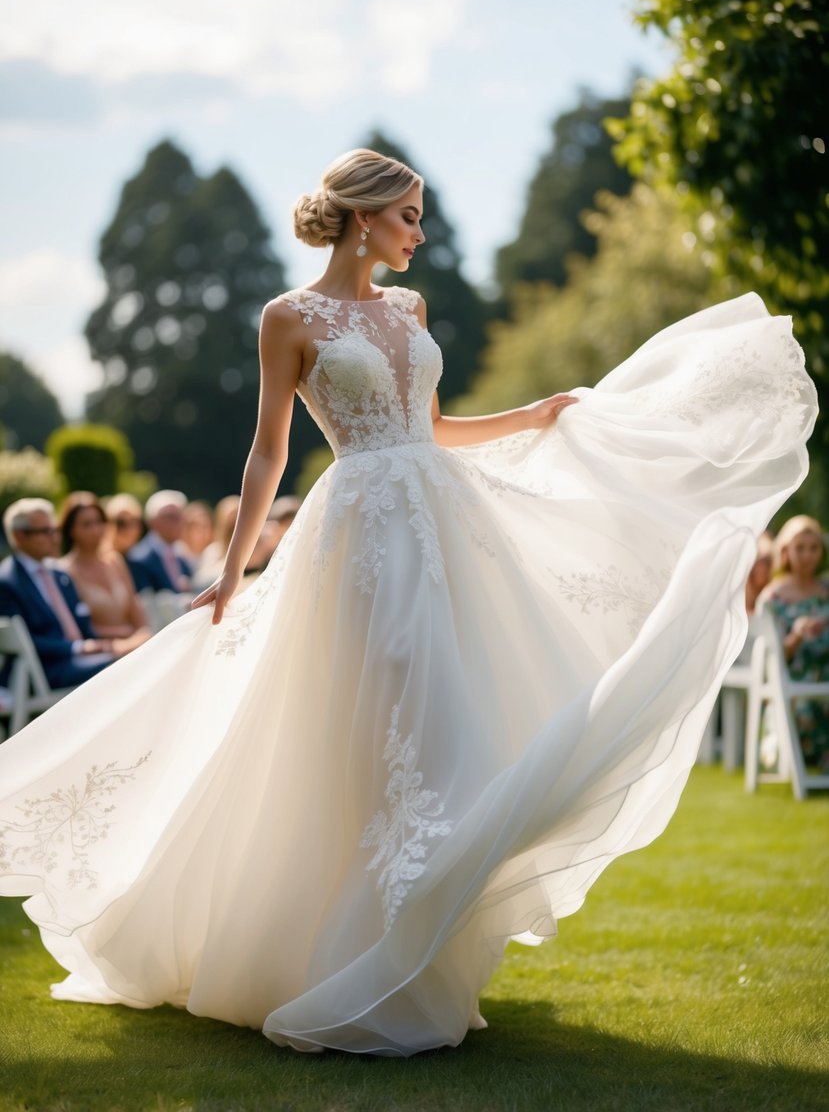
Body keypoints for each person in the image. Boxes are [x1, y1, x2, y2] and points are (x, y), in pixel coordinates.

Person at [0, 149, 817, 1058]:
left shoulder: (409, 310)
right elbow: (267, 453)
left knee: (449, 719)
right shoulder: (288, 317)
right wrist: (233, 571)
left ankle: (420, 953)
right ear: (364, 218)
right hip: (355, 533)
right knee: (372, 722)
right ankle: (347, 956)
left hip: (442, 521)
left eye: (421, 218)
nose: (420, 235)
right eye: (410, 218)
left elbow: (431, 427)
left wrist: (533, 415)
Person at [0, 498, 115, 689]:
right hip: (41, 673)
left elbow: (82, 624)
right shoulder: (7, 581)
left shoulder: (60, 574)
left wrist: (99, 645)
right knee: (120, 665)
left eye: (54, 530)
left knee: (130, 656)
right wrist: (76, 648)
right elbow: (25, 640)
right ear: (19, 536)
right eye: (45, 531)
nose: (54, 537)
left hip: (77, 659)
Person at [757, 515, 829, 768]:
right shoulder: (772, 597)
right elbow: (774, 661)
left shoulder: (827, 590)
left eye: (814, 548)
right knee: (808, 706)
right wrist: (797, 633)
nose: (808, 555)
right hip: (794, 682)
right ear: (785, 551)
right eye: (800, 548)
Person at [58, 492, 151, 656]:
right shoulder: (63, 571)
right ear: (71, 530)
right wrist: (121, 638)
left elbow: (138, 616)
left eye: (99, 522)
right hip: (99, 653)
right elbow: (77, 628)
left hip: (133, 646)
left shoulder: (115, 561)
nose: (96, 530)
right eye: (86, 524)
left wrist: (136, 639)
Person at [126, 490, 194, 593]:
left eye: (180, 515)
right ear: (152, 521)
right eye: (171, 516)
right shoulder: (139, 559)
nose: (179, 521)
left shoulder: (182, 557)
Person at [104, 493, 144, 557]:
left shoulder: (143, 558)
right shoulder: (100, 558)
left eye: (134, 521)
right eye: (121, 523)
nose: (129, 529)